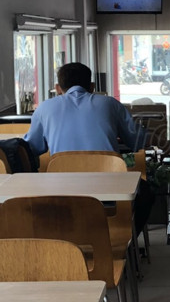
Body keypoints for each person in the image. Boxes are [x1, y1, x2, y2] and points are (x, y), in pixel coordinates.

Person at [25, 62, 154, 232]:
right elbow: (138, 142)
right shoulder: (111, 104)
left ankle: (65, 236)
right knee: (146, 192)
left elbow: (32, 147)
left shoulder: (44, 108)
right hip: (109, 188)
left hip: (61, 189)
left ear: (57, 88)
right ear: (92, 86)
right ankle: (124, 237)